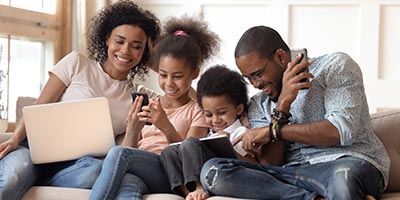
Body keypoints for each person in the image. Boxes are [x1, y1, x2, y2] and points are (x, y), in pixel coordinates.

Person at [199, 26, 390, 200]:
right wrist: (282, 105)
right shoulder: (259, 103)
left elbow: (339, 132)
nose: (255, 84)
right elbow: (270, 164)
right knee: (213, 172)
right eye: (248, 78)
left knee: (343, 178)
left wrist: (273, 131)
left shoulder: (334, 66)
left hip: (347, 162)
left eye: (258, 74)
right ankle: (314, 198)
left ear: (281, 57)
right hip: (291, 174)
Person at [0, 1, 160, 199]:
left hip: (79, 166)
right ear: (107, 39)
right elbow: (40, 105)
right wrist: (15, 139)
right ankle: (29, 175)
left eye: (136, 46)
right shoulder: (76, 63)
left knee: (94, 171)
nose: (126, 51)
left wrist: (154, 59)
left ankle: (37, 180)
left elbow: (187, 95)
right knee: (11, 178)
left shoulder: (141, 96)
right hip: (33, 152)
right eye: (119, 41)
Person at [88, 15, 220, 200]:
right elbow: (129, 149)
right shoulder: (151, 102)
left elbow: (189, 157)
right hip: (142, 168)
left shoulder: (197, 110)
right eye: (163, 75)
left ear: (194, 74)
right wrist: (133, 128)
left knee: (118, 153)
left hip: (170, 172)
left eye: (178, 76)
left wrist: (165, 125)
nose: (169, 83)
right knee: (128, 184)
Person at [160, 65, 253, 200]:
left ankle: (198, 186)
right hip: (207, 171)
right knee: (169, 151)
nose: (215, 120)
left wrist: (229, 146)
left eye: (222, 113)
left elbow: (252, 164)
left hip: (225, 172)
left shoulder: (242, 132)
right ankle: (188, 193)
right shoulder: (209, 134)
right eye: (208, 114)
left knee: (190, 142)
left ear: (238, 109)